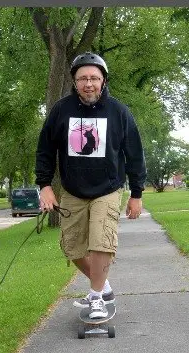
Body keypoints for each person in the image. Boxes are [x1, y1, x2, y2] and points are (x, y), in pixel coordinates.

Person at [35, 52, 146, 319]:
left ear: (104, 80)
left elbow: (134, 153)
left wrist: (137, 193)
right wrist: (45, 185)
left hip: (107, 189)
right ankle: (103, 286)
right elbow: (46, 149)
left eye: (94, 78)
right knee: (71, 247)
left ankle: (96, 297)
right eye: (82, 78)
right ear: (74, 82)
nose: (89, 84)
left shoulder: (119, 112)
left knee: (101, 242)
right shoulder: (61, 110)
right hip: (73, 191)